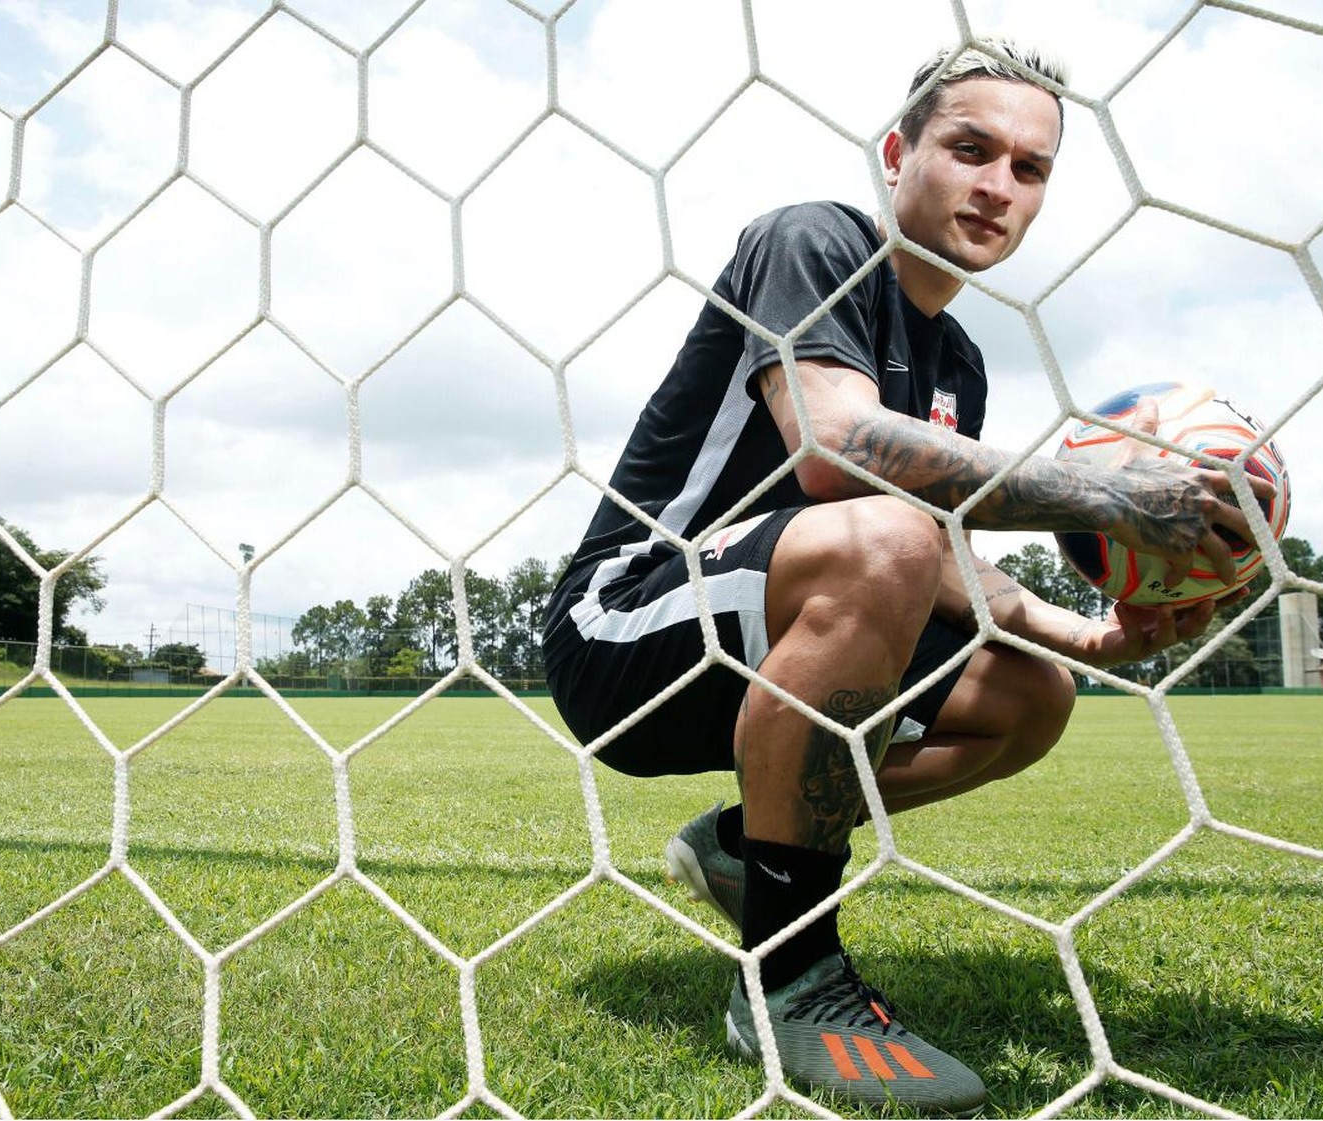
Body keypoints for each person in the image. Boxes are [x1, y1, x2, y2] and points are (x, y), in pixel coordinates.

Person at [540, 37, 1274, 1115]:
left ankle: (750, 840)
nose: (997, 186)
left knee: (1030, 697)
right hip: (632, 625)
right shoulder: (812, 240)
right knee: (880, 532)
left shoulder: (958, 362)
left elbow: (944, 552)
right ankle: (788, 972)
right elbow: (835, 448)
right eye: (971, 149)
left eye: (1029, 169)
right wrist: (1109, 500)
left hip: (783, 629)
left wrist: (1087, 637)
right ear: (898, 152)